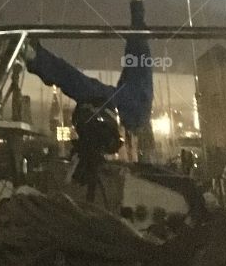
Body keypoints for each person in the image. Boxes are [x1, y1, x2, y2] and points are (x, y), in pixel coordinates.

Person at [23, 32, 153, 197]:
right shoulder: (137, 97)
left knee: (82, 85)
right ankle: (36, 56)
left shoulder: (135, 103)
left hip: (132, 108)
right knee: (83, 85)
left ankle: (35, 56)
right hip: (132, 106)